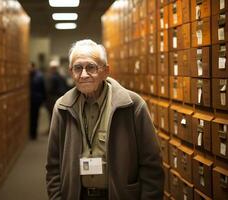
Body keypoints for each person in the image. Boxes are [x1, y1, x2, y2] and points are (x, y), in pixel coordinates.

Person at [46, 39, 164, 199]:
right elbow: (53, 165)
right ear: (71, 72)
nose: (84, 74)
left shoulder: (132, 105)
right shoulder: (62, 108)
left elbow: (151, 164)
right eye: (78, 68)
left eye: (91, 67)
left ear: (105, 71)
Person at [29, 62, 46, 140]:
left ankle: (33, 134)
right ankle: (31, 133)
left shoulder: (39, 76)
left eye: (30, 67)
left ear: (33, 67)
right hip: (30, 99)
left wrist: (43, 99)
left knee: (35, 116)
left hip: (36, 99)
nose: (28, 69)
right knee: (31, 117)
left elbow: (43, 88)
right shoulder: (29, 75)